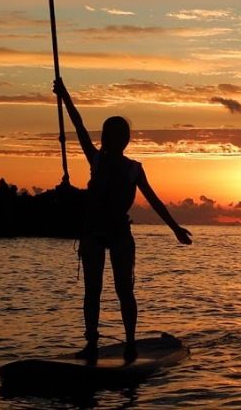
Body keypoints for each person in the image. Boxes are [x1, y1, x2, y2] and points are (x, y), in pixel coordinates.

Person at [53, 77, 193, 362]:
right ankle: (91, 344)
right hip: (93, 231)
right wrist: (65, 95)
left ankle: (130, 343)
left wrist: (175, 228)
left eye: (116, 135)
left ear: (124, 140)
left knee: (123, 290)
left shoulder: (134, 169)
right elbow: (78, 126)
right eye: (108, 134)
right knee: (92, 291)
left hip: (119, 233)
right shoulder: (97, 159)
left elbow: (154, 200)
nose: (110, 139)